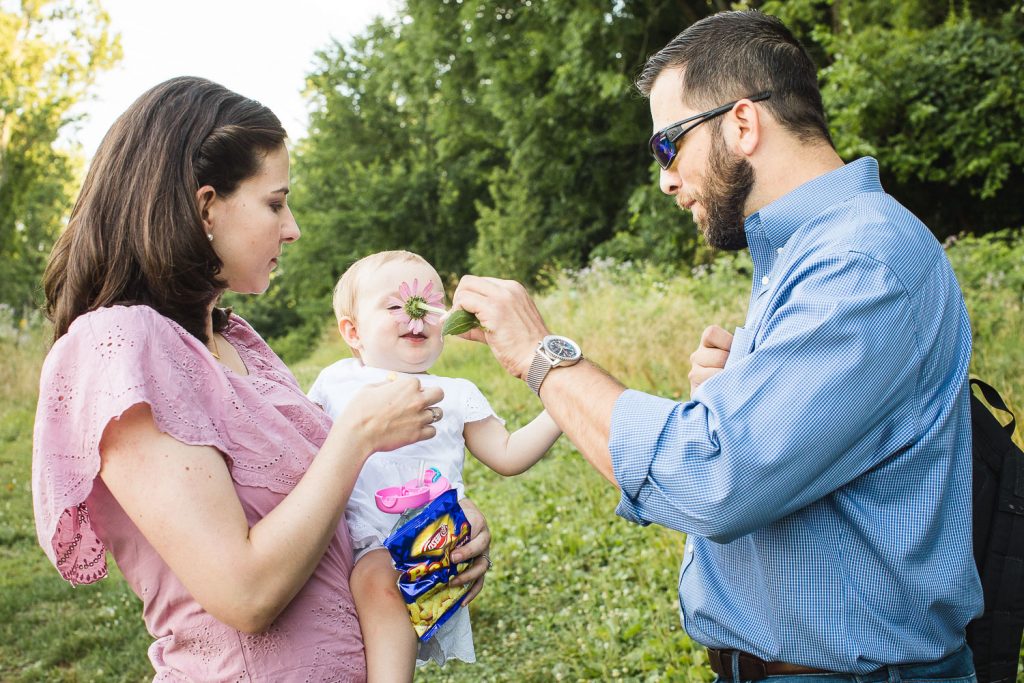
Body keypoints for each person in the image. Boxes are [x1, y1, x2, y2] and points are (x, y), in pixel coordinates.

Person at [450, 10, 982, 683]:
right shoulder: (808, 254)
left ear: (741, 123)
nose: (666, 179)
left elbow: (711, 479)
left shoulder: (859, 259)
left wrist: (542, 351)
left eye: (667, 146)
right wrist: (747, 388)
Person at [31, 77, 492, 682]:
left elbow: (321, 529)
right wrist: (354, 439)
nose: (293, 227)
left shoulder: (238, 341)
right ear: (204, 207)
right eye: (275, 203)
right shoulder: (120, 343)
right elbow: (245, 594)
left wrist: (433, 543)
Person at [307, 249, 561, 680]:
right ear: (353, 331)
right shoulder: (336, 382)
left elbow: (509, 453)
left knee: (377, 578)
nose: (417, 314)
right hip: (353, 539)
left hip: (429, 539)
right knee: (367, 582)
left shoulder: (456, 392)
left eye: (430, 303)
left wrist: (563, 405)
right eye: (397, 305)